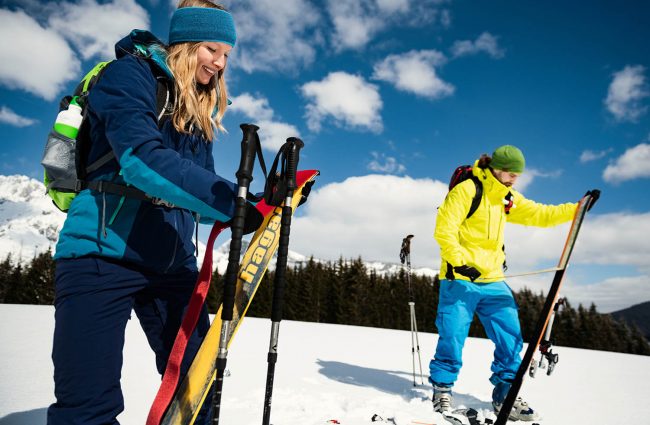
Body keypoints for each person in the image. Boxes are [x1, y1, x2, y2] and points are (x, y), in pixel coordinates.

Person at [47, 1, 260, 424]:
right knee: (86, 405)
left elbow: (199, 193)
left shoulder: (197, 111)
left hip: (171, 262)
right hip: (101, 254)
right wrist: (229, 203)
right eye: (211, 49)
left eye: (227, 56)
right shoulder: (127, 77)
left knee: (197, 391)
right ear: (185, 43)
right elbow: (141, 159)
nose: (219, 64)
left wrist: (255, 205)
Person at [429, 145, 599, 421]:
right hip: (460, 278)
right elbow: (444, 228)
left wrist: (577, 209)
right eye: (509, 173)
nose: (513, 179)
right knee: (452, 336)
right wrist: (459, 261)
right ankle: (442, 389)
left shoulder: (505, 197)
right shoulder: (467, 190)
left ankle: (506, 391)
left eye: (517, 175)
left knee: (510, 336)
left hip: (494, 279)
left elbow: (539, 214)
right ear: (495, 167)